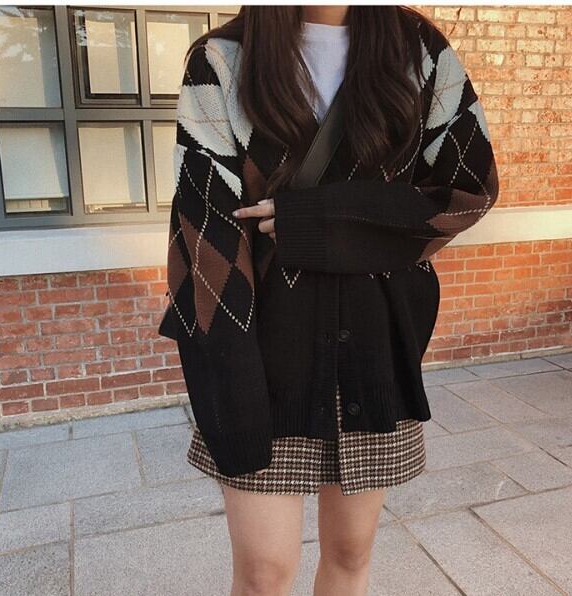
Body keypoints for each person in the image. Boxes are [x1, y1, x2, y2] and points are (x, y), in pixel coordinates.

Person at [160, 5, 499, 595]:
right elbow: (205, 238)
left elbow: (469, 191)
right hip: (262, 358)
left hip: (375, 352)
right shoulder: (223, 60)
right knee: (264, 573)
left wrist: (317, 220)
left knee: (349, 553)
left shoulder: (419, 51)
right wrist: (230, 398)